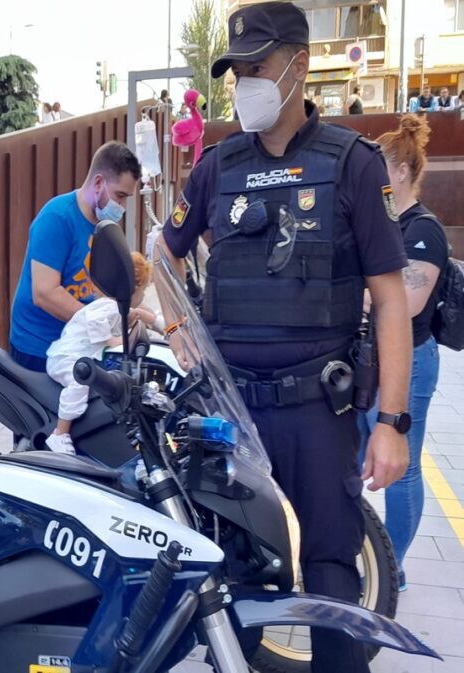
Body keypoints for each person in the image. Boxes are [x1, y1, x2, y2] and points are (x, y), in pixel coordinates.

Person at [155, 3, 411, 671]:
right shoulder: (216, 166)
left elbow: (389, 300)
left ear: (299, 65)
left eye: (258, 68)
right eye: (237, 72)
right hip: (234, 417)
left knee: (330, 576)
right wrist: (179, 326)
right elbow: (163, 251)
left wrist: (392, 422)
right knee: (233, 582)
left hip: (314, 413)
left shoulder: (352, 164)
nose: (244, 84)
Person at [358, 115, 448, 592]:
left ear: (400, 172)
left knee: (403, 468)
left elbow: (407, 302)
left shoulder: (424, 230)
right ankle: (359, 552)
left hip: (410, 361)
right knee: (352, 453)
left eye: (379, 171)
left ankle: (391, 569)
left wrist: (358, 290)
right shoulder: (385, 224)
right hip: (370, 358)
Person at [9, 141, 141, 372]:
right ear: (98, 182)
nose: (122, 206)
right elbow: (44, 293)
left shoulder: (104, 226)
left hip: (76, 343)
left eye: (126, 198)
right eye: (120, 196)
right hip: (40, 350)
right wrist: (98, 326)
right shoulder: (57, 218)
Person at [44, 252, 153, 453]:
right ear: (134, 288)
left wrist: (166, 327)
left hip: (79, 357)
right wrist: (112, 341)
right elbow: (96, 322)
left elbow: (145, 317)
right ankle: (60, 434)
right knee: (79, 384)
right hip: (66, 358)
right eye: (144, 290)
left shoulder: (117, 305)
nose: (144, 296)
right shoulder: (109, 305)